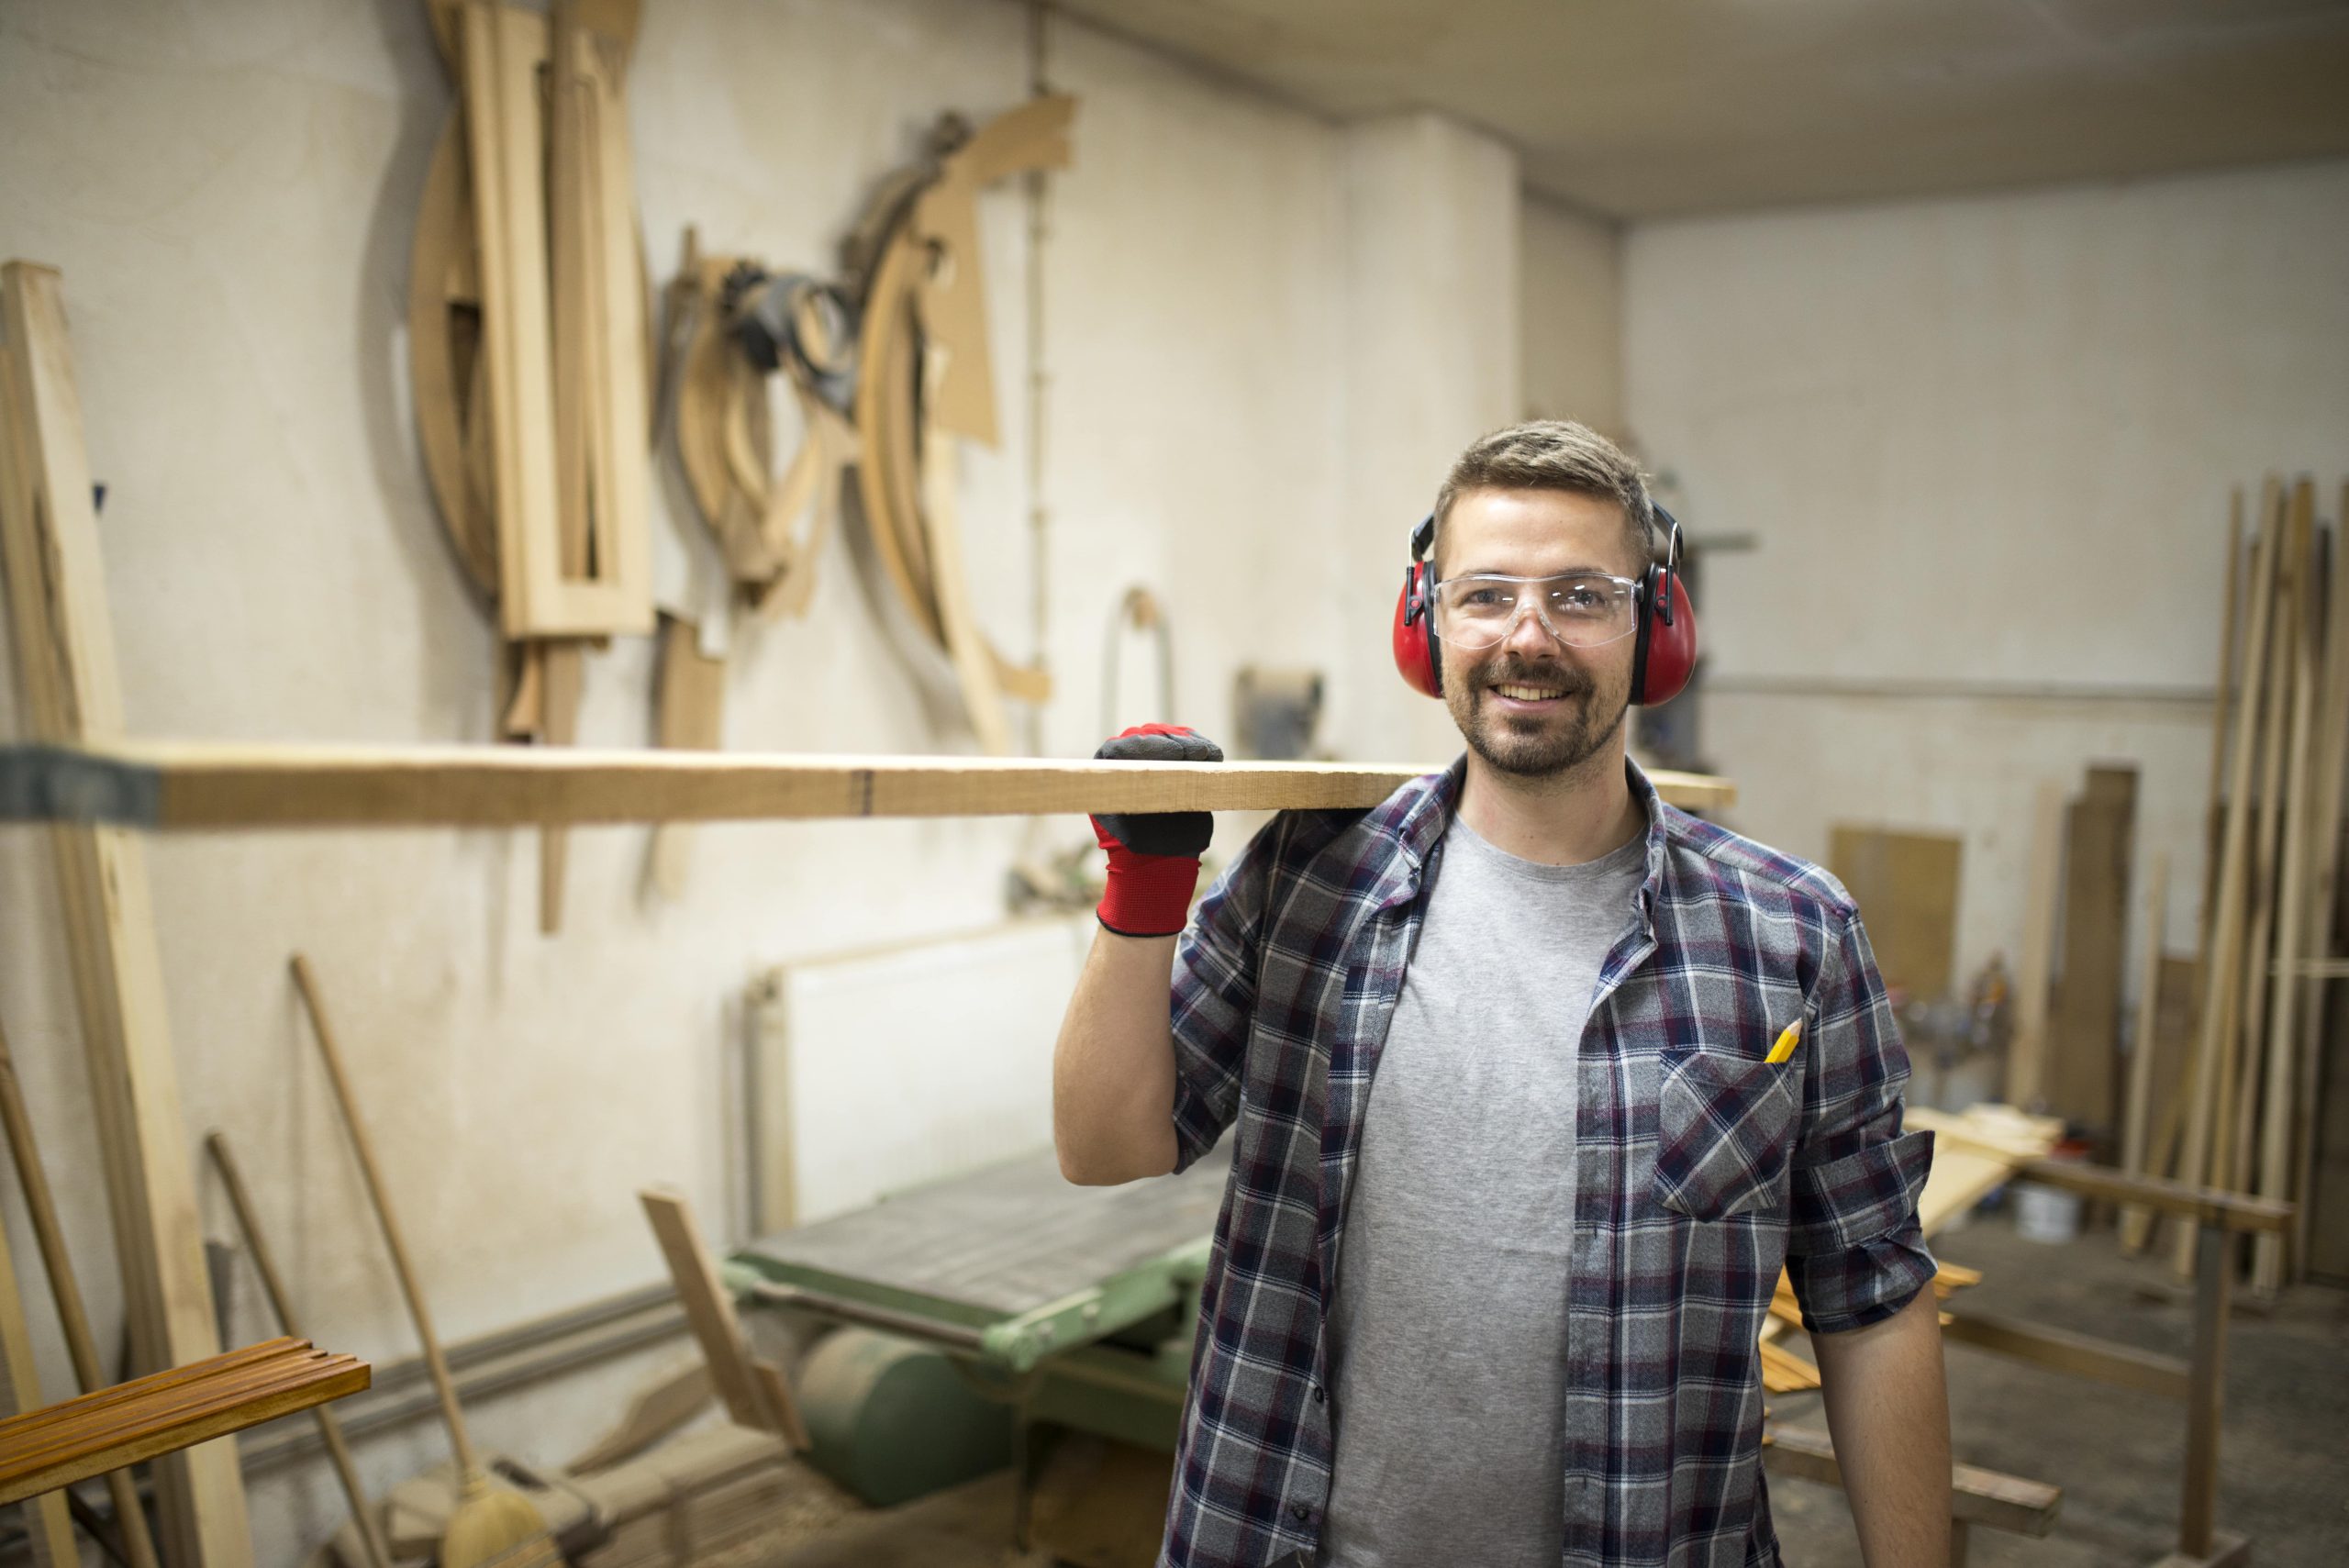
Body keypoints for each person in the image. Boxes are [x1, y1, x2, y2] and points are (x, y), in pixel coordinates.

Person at [1053, 421, 1951, 1568]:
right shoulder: (1306, 879)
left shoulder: (1788, 935)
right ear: (1426, 623)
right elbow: (1104, 1143)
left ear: (1657, 628)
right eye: (1486, 594)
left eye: (1581, 594)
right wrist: (1144, 891)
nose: (1528, 637)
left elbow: (1869, 1301)